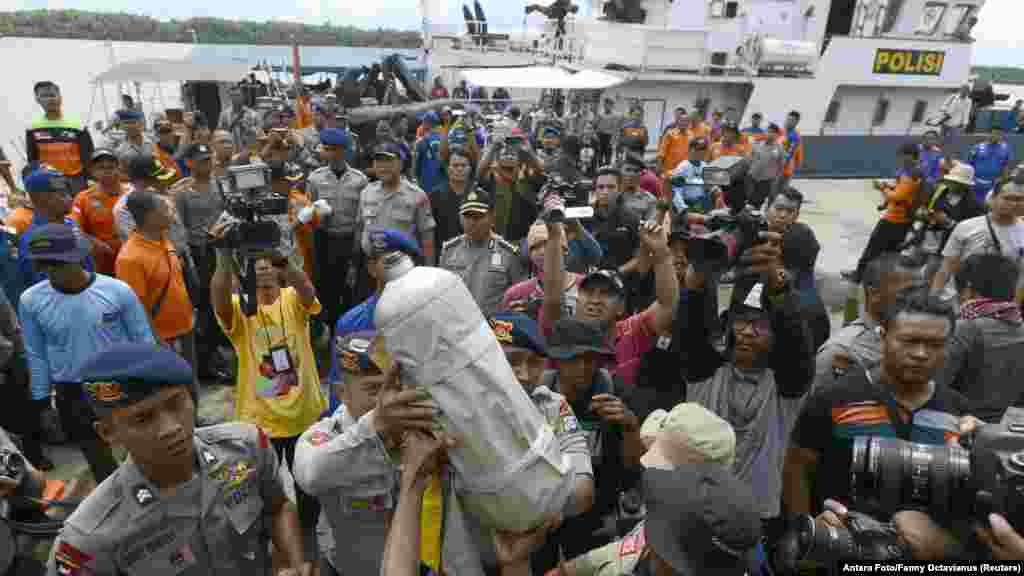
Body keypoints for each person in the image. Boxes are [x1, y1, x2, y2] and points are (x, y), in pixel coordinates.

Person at [45, 343, 309, 576]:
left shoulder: (245, 447)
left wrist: (291, 561)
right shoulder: (89, 537)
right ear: (108, 432)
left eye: (175, 404)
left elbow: (278, 507)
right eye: (143, 418)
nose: (170, 427)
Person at [784, 286, 967, 561]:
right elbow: (796, 466)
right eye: (909, 340)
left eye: (935, 344)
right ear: (883, 337)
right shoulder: (834, 399)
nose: (920, 353)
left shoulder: (958, 412)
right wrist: (804, 529)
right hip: (845, 551)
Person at [679, 228, 814, 525]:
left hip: (756, 522)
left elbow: (798, 349)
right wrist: (698, 283)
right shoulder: (705, 373)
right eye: (741, 321)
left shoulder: (784, 387)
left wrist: (778, 289)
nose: (748, 332)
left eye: (761, 325)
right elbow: (691, 328)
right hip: (695, 515)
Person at [211, 227, 325, 567]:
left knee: (308, 488)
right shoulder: (238, 309)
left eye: (266, 263)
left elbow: (307, 290)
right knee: (263, 498)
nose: (261, 267)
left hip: (305, 414)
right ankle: (271, 556)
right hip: (261, 423)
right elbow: (218, 295)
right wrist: (222, 254)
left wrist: (284, 258)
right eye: (255, 262)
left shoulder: (292, 299)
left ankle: (310, 548)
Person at [554, 403, 761, 576]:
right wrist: (570, 570)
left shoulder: (702, 526)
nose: (647, 468)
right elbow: (626, 549)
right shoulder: (674, 510)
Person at [293, 331, 437, 576]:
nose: (388, 399)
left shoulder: (420, 431)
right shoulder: (328, 434)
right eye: (373, 390)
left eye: (394, 387)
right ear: (342, 394)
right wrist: (376, 424)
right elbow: (311, 474)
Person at [20, 223, 155, 484]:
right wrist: (42, 402)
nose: (53, 271)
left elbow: (143, 341)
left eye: (59, 264)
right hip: (72, 393)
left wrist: (150, 383)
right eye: (46, 266)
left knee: (140, 449)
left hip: (122, 384)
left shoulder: (117, 291)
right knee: (98, 460)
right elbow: (35, 354)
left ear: (78, 257)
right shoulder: (31, 301)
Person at [116, 190, 198, 403]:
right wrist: (157, 342)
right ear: (150, 215)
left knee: (190, 381)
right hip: (164, 338)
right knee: (175, 391)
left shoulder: (164, 240)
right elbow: (135, 309)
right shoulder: (130, 258)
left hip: (185, 328)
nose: (172, 213)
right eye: (165, 209)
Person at [937, 254, 1024, 423]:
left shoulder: (965, 329)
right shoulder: (1020, 327)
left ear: (968, 288)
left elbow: (936, 386)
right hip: (1000, 428)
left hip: (958, 424)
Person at [813, 253, 919, 391]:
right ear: (874, 294)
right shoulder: (842, 351)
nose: (918, 299)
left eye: (921, 290)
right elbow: (821, 408)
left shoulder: (918, 337)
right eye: (908, 292)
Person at [173, 143, 230, 382]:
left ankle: (223, 352)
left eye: (209, 159)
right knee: (205, 307)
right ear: (189, 163)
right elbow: (180, 228)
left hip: (223, 247)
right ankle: (207, 362)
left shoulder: (220, 183)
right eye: (201, 160)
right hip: (199, 252)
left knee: (225, 299)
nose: (207, 164)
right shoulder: (182, 192)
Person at [305, 127, 367, 337]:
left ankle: (348, 333)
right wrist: (317, 217)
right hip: (325, 239)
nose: (329, 154)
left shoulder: (360, 180)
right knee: (325, 286)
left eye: (334, 149)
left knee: (349, 288)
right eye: (327, 149)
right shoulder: (315, 179)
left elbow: (362, 218)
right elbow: (308, 211)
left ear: (343, 151)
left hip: (349, 239)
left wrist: (357, 248)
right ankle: (329, 332)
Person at [931, 176, 1024, 307]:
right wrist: (934, 296)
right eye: (1008, 198)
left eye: (1020, 199)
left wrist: (1013, 307)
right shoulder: (966, 227)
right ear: (993, 199)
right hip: (960, 303)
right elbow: (947, 266)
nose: (1014, 204)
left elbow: (1022, 277)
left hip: (1001, 307)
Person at [846, 142, 923, 283]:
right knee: (891, 252)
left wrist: (882, 188)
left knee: (872, 249)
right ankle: (882, 278)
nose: (899, 160)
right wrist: (891, 187)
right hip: (904, 220)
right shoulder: (917, 172)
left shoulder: (910, 174)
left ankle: (859, 275)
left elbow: (897, 197)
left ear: (910, 156)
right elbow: (905, 192)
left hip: (893, 219)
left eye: (901, 157)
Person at [440, 188, 525, 316]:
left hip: (494, 328)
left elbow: (519, 300)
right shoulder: (449, 251)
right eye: (467, 216)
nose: (472, 222)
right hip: (458, 325)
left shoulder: (508, 253)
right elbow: (442, 295)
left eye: (478, 216)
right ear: (460, 217)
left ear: (491, 216)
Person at [355, 142, 436, 266]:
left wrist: (429, 271)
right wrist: (355, 263)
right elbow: (360, 228)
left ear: (400, 164)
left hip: (403, 267)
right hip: (371, 267)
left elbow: (427, 238)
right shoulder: (366, 192)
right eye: (378, 162)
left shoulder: (417, 196)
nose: (383, 167)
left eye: (388, 161)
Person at [17, 167, 95, 291]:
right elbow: (47, 289)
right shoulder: (34, 241)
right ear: (40, 199)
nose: (70, 198)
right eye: (62, 194)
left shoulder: (70, 223)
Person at [26, 81, 94, 193]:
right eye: (44, 96)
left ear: (60, 97)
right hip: (49, 181)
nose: (50, 99)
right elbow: (32, 160)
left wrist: (92, 179)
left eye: (53, 95)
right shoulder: (32, 128)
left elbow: (88, 156)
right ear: (37, 100)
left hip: (77, 180)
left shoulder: (78, 125)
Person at [477, 129, 544, 242]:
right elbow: (479, 173)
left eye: (513, 155)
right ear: (497, 160)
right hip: (499, 240)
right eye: (505, 154)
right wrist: (493, 148)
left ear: (520, 161)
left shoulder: (527, 178)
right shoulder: (493, 180)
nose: (509, 157)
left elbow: (540, 170)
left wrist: (527, 151)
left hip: (525, 241)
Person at [69, 148, 127, 275]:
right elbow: (72, 226)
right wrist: (92, 242)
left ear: (119, 168)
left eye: (111, 167)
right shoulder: (83, 198)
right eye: (101, 168)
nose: (107, 171)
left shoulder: (132, 193)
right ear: (93, 172)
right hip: (103, 263)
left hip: (134, 258)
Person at [431, 146, 474, 247]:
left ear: (470, 169)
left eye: (463, 165)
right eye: (455, 165)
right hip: (443, 255)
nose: (459, 169)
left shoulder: (480, 196)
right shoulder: (435, 196)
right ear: (447, 169)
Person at [666, 137, 712, 215]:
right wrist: (683, 208)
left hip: (702, 204)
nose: (700, 152)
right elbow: (676, 191)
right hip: (687, 203)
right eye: (697, 149)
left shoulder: (705, 166)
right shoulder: (683, 167)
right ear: (690, 149)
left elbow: (708, 189)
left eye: (703, 149)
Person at [968, 126, 1013, 203]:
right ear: (988, 134)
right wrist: (971, 178)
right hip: (975, 182)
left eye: (999, 134)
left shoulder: (1006, 148)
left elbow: (1006, 165)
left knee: (990, 204)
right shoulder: (977, 147)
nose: (996, 136)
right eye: (994, 134)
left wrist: (1002, 180)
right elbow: (969, 164)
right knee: (973, 204)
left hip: (994, 184)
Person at [747, 125, 785, 208]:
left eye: (773, 132)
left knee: (757, 202)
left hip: (766, 181)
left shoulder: (779, 148)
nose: (770, 134)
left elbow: (781, 166)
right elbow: (749, 160)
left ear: (777, 135)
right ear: (765, 132)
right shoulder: (757, 145)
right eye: (768, 131)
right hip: (752, 178)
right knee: (748, 201)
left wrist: (776, 179)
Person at [616, 154, 657, 222]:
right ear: (620, 172)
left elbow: (650, 226)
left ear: (641, 174)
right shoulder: (611, 194)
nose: (632, 174)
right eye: (628, 170)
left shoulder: (649, 200)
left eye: (636, 171)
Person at [218, 84, 262, 148]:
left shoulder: (254, 114)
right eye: (232, 95)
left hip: (249, 150)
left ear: (243, 96)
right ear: (230, 97)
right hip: (231, 150)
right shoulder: (224, 115)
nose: (235, 98)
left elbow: (260, 133)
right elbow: (219, 133)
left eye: (237, 95)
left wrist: (248, 128)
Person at [414, 112, 445, 196]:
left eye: (423, 122)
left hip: (426, 186)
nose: (422, 125)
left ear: (428, 124)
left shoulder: (421, 142)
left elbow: (416, 167)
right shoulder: (445, 139)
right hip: (442, 184)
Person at [656, 108, 690, 178]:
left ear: (688, 123)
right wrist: (659, 166)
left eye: (686, 121)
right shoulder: (670, 133)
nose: (684, 123)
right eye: (682, 121)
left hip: (684, 170)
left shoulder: (691, 135)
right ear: (678, 121)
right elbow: (662, 151)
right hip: (670, 169)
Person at [778, 110, 803, 193]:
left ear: (796, 122)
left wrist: (781, 167)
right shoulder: (780, 132)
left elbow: (789, 154)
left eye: (792, 120)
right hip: (774, 167)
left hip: (784, 169)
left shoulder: (794, 136)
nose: (788, 122)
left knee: (779, 193)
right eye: (788, 119)